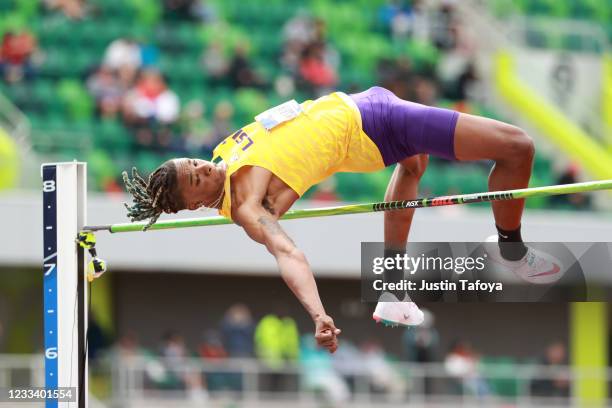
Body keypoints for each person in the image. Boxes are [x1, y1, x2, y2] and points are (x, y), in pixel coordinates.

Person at [122, 86, 560, 353]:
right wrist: (318, 314)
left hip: (361, 106)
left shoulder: (223, 155)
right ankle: (510, 249)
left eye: (194, 162)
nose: (203, 167)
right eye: (196, 178)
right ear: (197, 203)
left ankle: (392, 286)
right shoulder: (249, 206)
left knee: (414, 167)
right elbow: (287, 253)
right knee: (517, 147)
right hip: (375, 124)